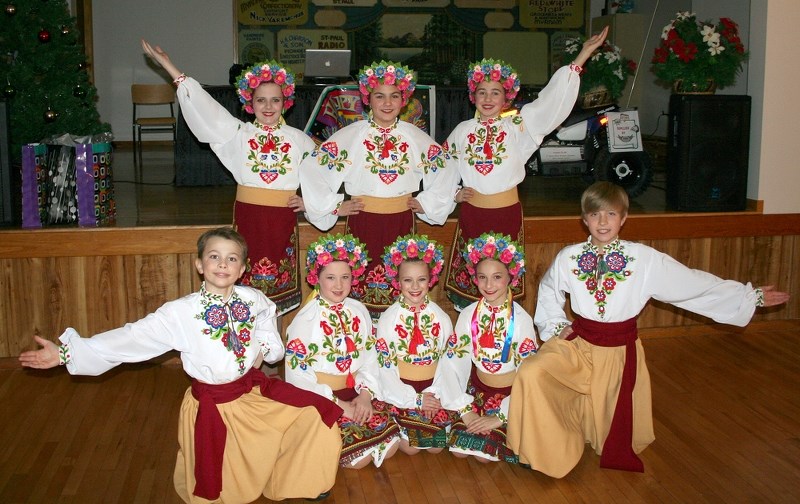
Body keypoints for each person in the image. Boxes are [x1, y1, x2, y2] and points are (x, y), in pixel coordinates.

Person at [18, 227, 342, 503]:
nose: (222, 264)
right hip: (214, 406)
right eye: (214, 256)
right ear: (199, 264)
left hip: (251, 394)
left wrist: (267, 349)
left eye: (232, 258)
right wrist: (65, 354)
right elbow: (131, 338)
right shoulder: (180, 313)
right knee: (219, 486)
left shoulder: (252, 299)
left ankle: (298, 480)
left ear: (242, 269)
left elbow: (267, 321)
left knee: (317, 412)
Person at [507, 182, 791, 477]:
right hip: (578, 346)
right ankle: (545, 450)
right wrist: (556, 325)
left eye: (611, 214)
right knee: (533, 372)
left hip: (617, 354)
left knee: (609, 435)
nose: (603, 222)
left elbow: (691, 284)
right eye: (594, 214)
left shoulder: (642, 259)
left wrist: (748, 296)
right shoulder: (569, 257)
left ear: (624, 218)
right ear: (584, 219)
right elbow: (550, 289)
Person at [142, 40, 315, 315]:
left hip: (282, 223)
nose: (268, 106)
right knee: (244, 296)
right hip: (249, 219)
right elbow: (204, 106)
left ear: (286, 102)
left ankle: (273, 355)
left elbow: (325, 175)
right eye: (261, 100)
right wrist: (168, 65)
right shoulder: (238, 134)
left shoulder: (300, 140)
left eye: (275, 100)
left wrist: (311, 204)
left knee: (276, 302)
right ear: (250, 103)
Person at [443, 27, 610, 311]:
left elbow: (550, 102)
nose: (488, 98)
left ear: (506, 97)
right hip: (473, 214)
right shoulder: (462, 130)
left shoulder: (518, 126)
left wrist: (583, 55)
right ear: (473, 96)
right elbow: (443, 167)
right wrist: (453, 194)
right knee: (474, 284)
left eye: (495, 92)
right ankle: (472, 340)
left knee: (500, 283)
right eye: (482, 92)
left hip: (506, 214)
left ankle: (503, 343)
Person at [298, 60, 460, 316]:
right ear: (368, 99)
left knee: (400, 291)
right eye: (379, 96)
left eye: (394, 96)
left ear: (403, 100)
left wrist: (427, 202)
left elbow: (445, 167)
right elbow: (312, 168)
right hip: (363, 222)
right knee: (361, 293)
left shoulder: (414, 135)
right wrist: (335, 205)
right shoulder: (352, 135)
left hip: (401, 222)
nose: (387, 103)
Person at [284, 233, 401, 469]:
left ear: (354, 277)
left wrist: (366, 395)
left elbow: (370, 358)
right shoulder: (305, 320)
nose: (338, 285)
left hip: (355, 392)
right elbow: (297, 377)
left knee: (392, 447)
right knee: (359, 461)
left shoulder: (359, 310)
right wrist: (340, 405)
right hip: (322, 397)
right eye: (330, 278)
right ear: (316, 278)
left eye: (345, 277)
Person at [446, 232, 539, 463]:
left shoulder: (522, 320)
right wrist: (465, 410)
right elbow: (453, 364)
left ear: (511, 277)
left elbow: (529, 374)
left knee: (484, 457)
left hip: (511, 396)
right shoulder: (468, 315)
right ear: (474, 278)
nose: (489, 285)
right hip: (476, 392)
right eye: (482, 277)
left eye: (497, 277)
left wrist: (499, 417)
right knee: (458, 451)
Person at [374, 234, 462, 454]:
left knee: (436, 448)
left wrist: (435, 394)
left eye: (421, 279)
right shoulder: (388, 319)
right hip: (402, 392)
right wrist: (414, 399)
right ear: (397, 281)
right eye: (407, 280)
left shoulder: (441, 318)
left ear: (431, 280)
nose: (415, 286)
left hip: (434, 390)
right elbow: (384, 367)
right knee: (411, 447)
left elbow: (448, 362)